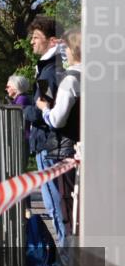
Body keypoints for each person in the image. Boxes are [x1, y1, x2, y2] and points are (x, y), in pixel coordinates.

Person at [21, 17, 68, 247]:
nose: (31, 42)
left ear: (52, 41)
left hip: (49, 145)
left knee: (55, 205)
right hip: (51, 144)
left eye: (36, 37)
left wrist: (24, 111)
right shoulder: (52, 68)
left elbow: (44, 111)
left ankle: (66, 258)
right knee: (58, 205)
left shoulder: (49, 72)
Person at [35, 30, 81, 235]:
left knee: (68, 208)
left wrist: (43, 109)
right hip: (91, 149)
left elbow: (56, 119)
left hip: (67, 149)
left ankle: (69, 253)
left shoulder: (69, 80)